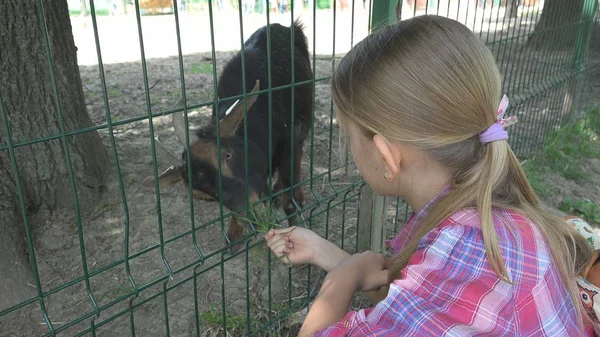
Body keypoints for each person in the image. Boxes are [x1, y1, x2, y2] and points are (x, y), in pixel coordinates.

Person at [264, 15, 596, 336]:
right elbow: (415, 304)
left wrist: (341, 279)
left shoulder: (465, 260)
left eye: (349, 137)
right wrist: (326, 253)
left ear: (386, 157)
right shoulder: (488, 220)